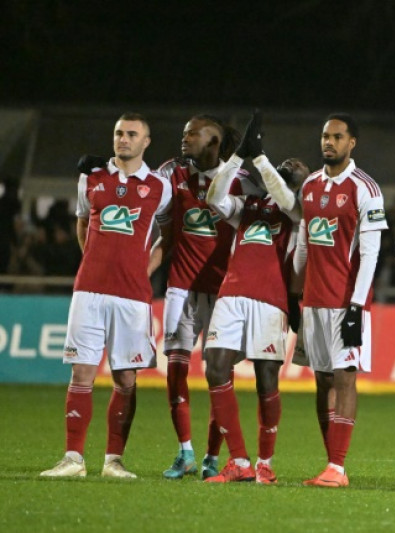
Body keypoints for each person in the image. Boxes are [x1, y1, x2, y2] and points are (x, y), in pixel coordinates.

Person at [41, 113, 172, 478]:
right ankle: (73, 459)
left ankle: (113, 460)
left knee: (126, 379)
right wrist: (95, 261)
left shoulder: (160, 186)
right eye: (118, 133)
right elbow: (83, 222)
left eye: (131, 134)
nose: (123, 139)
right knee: (81, 372)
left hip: (132, 296)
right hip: (89, 291)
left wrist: (144, 269)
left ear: (146, 141)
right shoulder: (91, 177)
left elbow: (168, 237)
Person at [201, 110, 303, 484]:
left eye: (299, 166)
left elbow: (288, 199)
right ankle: (239, 461)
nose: (292, 165)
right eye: (287, 163)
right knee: (215, 368)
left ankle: (265, 462)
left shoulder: (297, 211)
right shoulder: (248, 207)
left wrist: (259, 157)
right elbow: (214, 197)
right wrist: (236, 157)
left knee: (266, 381)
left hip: (270, 300)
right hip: (231, 295)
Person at [293, 114, 387, 488]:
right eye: (324, 136)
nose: (328, 142)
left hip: (346, 302)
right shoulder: (310, 185)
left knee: (345, 379)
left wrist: (357, 306)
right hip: (314, 301)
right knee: (322, 380)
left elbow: (371, 252)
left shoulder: (366, 188)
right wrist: (294, 293)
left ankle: (337, 465)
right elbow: (303, 243)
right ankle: (332, 465)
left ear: (352, 143)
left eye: (336, 137)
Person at [156, 114, 246, 480]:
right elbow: (144, 188)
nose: (185, 138)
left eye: (193, 133)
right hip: (182, 288)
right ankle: (185, 452)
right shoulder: (172, 172)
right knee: (176, 369)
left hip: (224, 293)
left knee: (219, 374)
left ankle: (212, 457)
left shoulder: (240, 180)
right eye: (184, 132)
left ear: (214, 142)